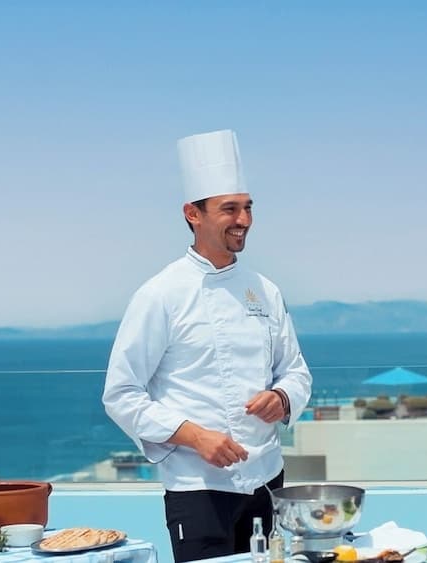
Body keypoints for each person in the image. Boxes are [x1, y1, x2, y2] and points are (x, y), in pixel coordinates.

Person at [103, 129, 313, 562]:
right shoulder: (161, 294)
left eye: (248, 207)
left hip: (267, 480)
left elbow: (296, 371)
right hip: (198, 488)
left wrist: (281, 398)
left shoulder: (265, 290)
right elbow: (121, 395)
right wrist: (196, 436)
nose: (244, 220)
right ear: (192, 214)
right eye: (229, 209)